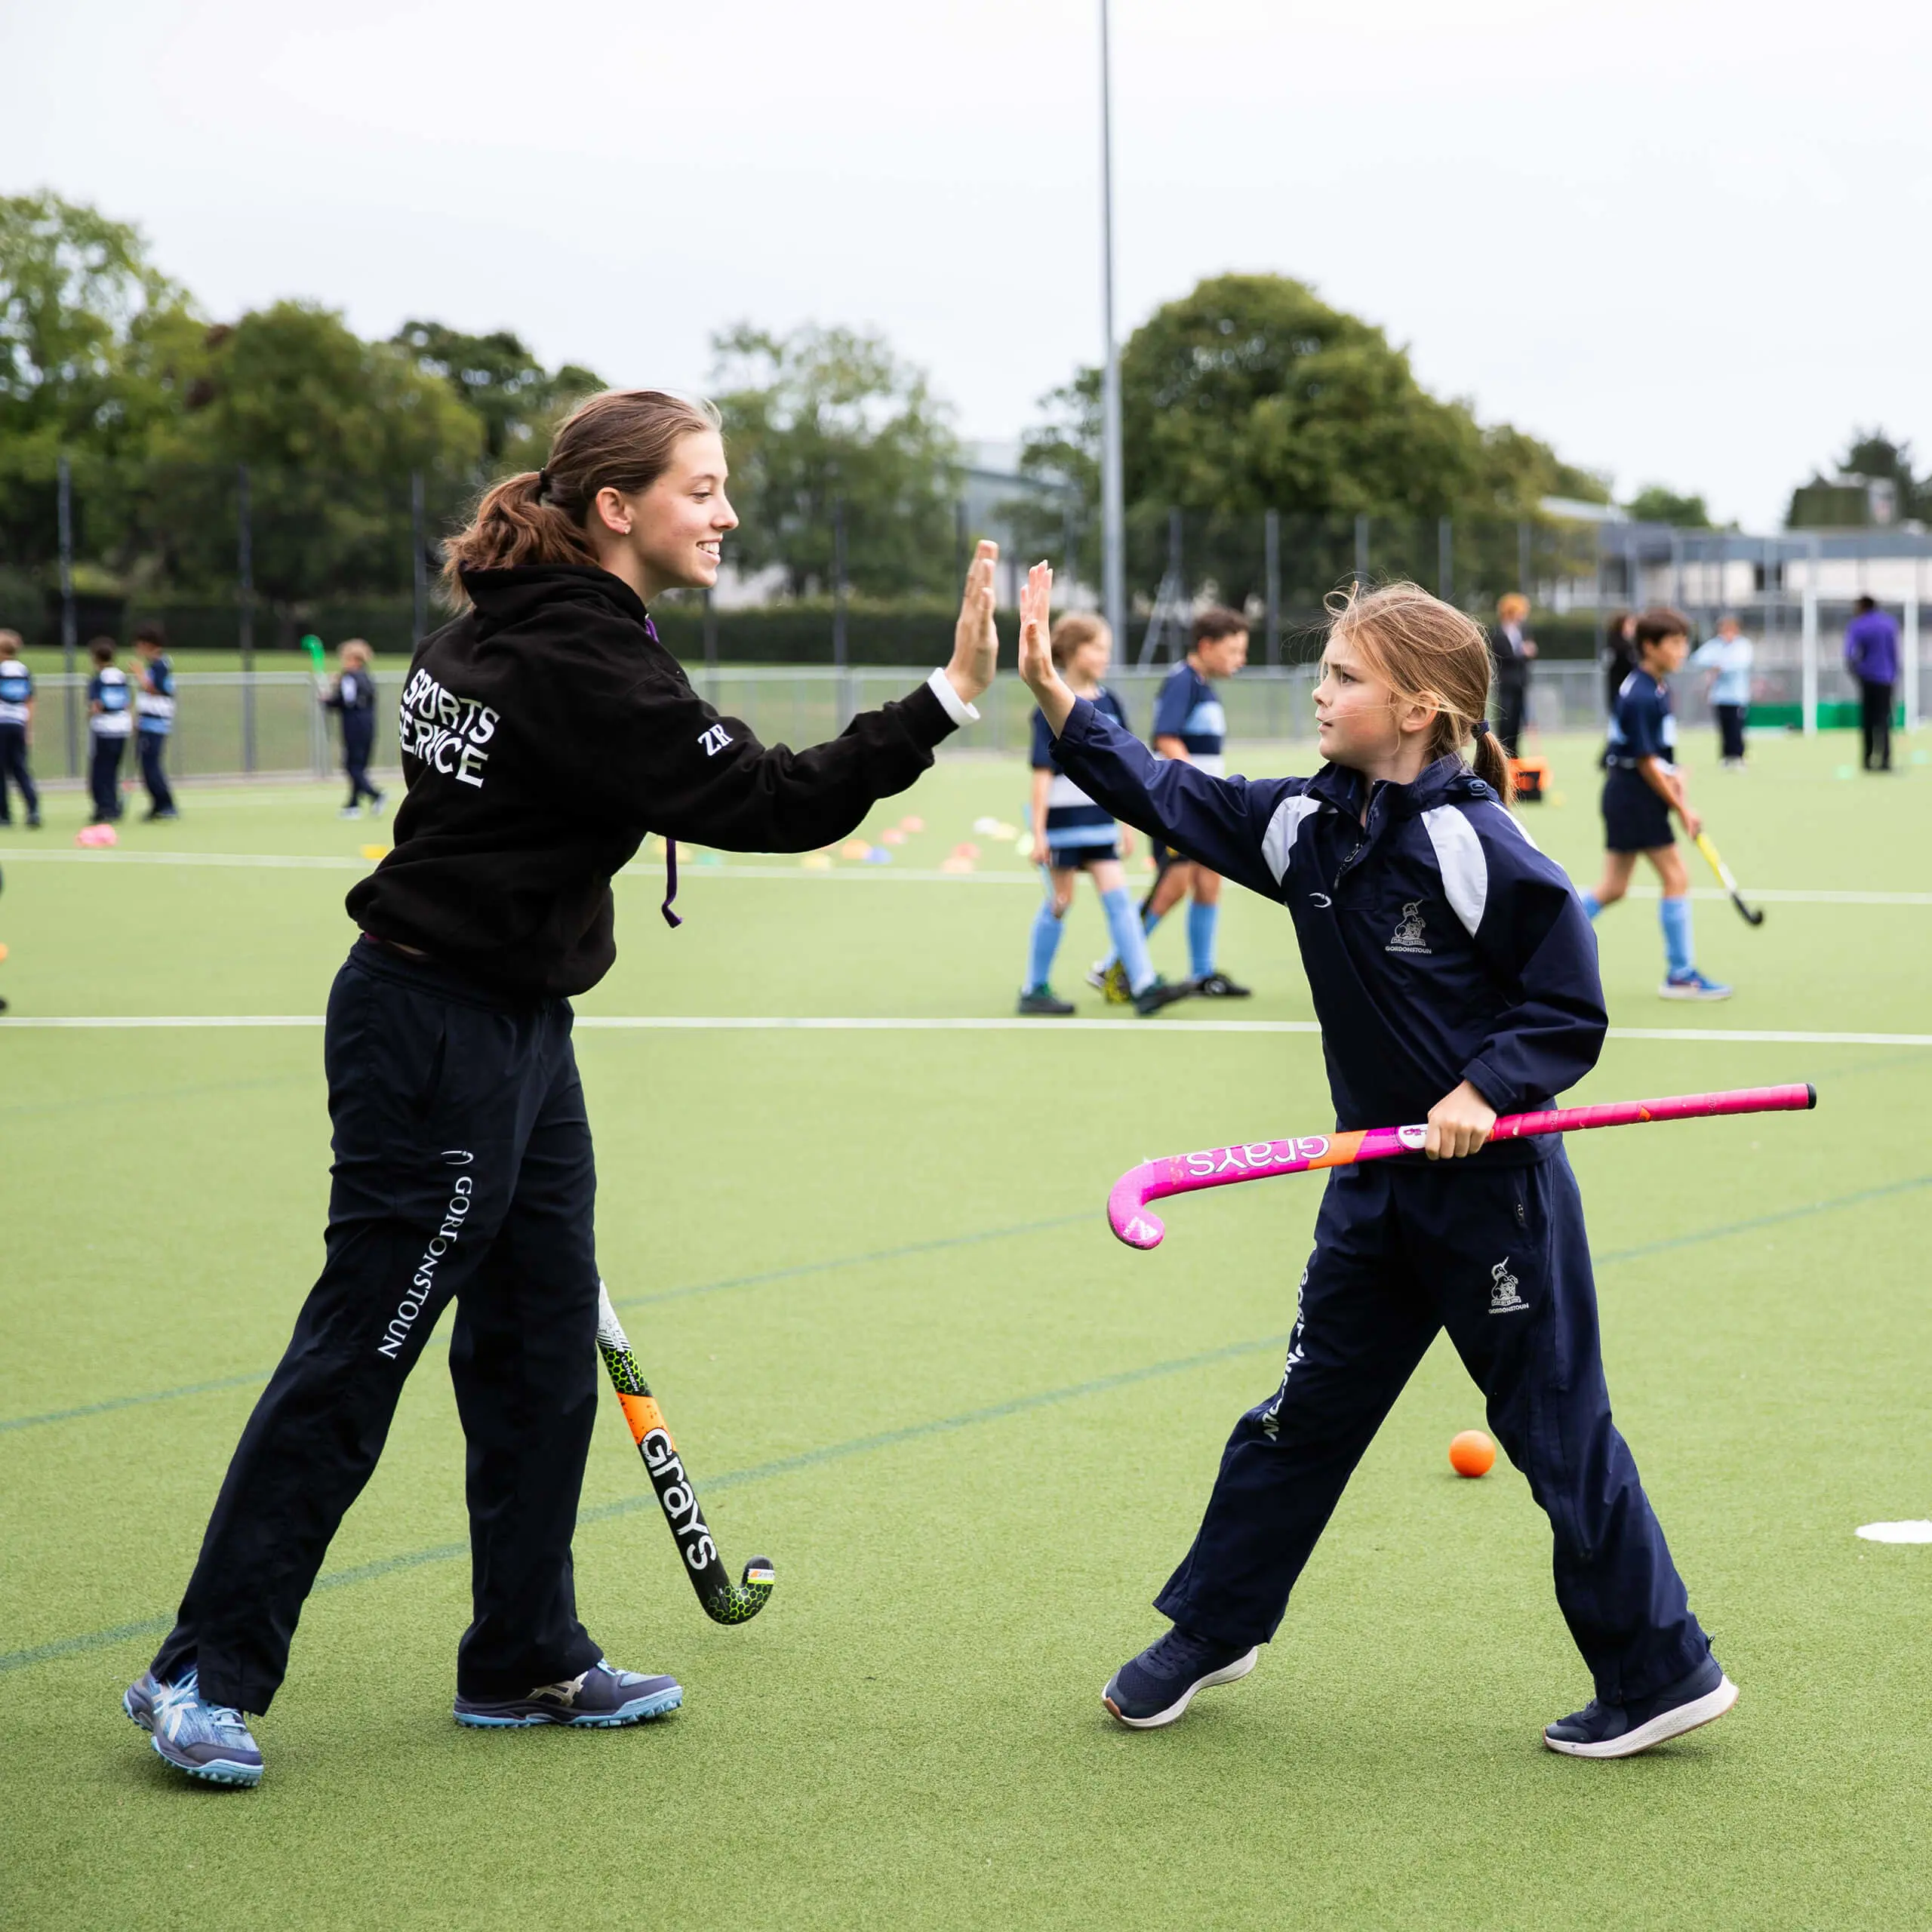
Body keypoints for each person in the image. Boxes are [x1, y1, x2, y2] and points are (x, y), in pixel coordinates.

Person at [123, 389, 1001, 1789]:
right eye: (701, 490)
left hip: (519, 1030)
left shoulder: (508, 622)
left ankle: (523, 1654)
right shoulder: (576, 656)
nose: (724, 515)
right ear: (615, 508)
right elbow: (772, 803)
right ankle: (199, 1671)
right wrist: (946, 697)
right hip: (436, 1035)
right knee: (364, 1346)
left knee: (536, 1351)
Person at [1017, 566, 1736, 1760]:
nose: (1319, 692)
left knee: (1559, 1436)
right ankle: (1216, 1625)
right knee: (1300, 1415)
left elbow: (1566, 1003)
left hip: (1492, 1196)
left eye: (1344, 676)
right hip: (1374, 1191)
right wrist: (1055, 696)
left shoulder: (1471, 840)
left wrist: (1482, 1091)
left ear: (1416, 709)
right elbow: (1164, 792)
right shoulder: (1305, 822)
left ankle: (1663, 1673)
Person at [1018, 613, 1186, 1018]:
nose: (1105, 657)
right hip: (1063, 827)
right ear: (1073, 652)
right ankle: (1033, 989)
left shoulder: (1110, 703)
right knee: (1059, 902)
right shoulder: (1050, 702)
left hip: (1099, 823)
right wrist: (1038, 832)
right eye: (1097, 648)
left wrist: (1128, 824)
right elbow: (1042, 773)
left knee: (1121, 903)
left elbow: (1125, 771)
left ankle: (1143, 985)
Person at [1091, 607, 1253, 1001]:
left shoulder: (1204, 686)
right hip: (1179, 804)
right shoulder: (1182, 681)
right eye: (1233, 651)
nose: (1240, 660)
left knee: (1209, 880)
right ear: (1206, 646)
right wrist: (1201, 787)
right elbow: (1166, 738)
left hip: (1202, 804)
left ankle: (1202, 974)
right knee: (1174, 884)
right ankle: (1111, 965)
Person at [1580, 608, 1730, 1001]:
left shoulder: (1656, 687)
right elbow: (1645, 763)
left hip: (1631, 793)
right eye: (1675, 643)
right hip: (1634, 797)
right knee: (1676, 876)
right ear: (1650, 646)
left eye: (1684, 642)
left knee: (1613, 888)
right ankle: (1680, 975)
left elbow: (1654, 756)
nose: (1683, 650)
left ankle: (1536, 937)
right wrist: (1682, 807)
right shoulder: (1644, 693)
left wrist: (1675, 774)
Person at [321, 638, 386, 817]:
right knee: (359, 766)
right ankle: (353, 805)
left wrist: (328, 700)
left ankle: (376, 795)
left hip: (354, 726)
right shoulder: (367, 677)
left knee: (352, 767)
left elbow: (347, 701)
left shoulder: (349, 678)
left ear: (354, 659)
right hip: (368, 725)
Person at [1687, 614, 1753, 768]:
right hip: (1719, 696)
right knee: (1723, 727)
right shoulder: (1715, 645)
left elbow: (1741, 664)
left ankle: (1738, 756)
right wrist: (1714, 665)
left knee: (1736, 727)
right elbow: (1697, 659)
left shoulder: (1743, 645)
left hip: (1737, 696)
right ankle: (1725, 756)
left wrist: (1721, 667)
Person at [1843, 595, 1900, 772]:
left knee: (1867, 720)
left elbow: (1850, 653)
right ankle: (1885, 760)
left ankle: (1867, 761)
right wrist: (1895, 673)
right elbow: (1894, 652)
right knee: (1884, 719)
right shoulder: (1889, 624)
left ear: (1863, 606)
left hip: (1868, 679)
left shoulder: (1858, 625)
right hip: (1887, 678)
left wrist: (1856, 673)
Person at [132, 621, 180, 820]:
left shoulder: (161, 665)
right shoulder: (155, 665)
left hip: (156, 723)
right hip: (147, 722)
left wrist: (140, 675)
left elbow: (154, 689)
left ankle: (166, 804)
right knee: (146, 765)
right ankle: (157, 804)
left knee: (152, 765)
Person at [85, 638, 133, 823]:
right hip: (121, 728)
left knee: (100, 771)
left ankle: (103, 807)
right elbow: (127, 702)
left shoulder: (98, 679)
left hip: (104, 729)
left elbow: (96, 705)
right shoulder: (121, 677)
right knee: (113, 769)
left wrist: (89, 715)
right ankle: (113, 806)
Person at [1487, 591, 1538, 755]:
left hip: (1521, 683)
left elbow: (1527, 654)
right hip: (1505, 684)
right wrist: (1523, 653)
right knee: (1505, 721)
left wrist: (1526, 653)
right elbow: (1503, 656)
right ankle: (1503, 755)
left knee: (1518, 721)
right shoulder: (1498, 632)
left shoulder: (1522, 631)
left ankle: (1515, 754)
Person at [0, 631, 40, 828]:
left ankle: (4, 815)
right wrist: (28, 727)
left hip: (2, 724)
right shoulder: (24, 671)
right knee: (20, 768)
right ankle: (33, 809)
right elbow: (30, 701)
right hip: (18, 723)